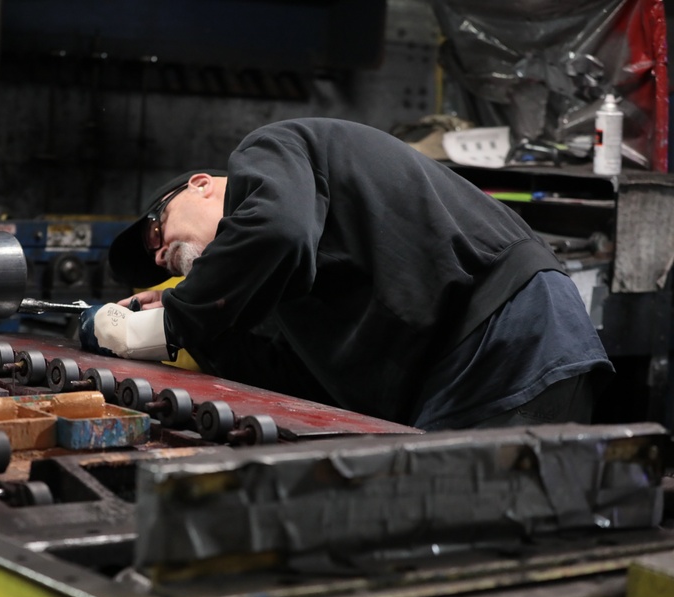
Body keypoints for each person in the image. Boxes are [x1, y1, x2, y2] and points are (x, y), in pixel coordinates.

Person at [81, 117, 613, 430]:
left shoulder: (271, 151)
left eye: (157, 231)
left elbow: (274, 230)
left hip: (508, 341)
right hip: (461, 368)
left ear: (199, 184)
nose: (159, 256)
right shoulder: (284, 286)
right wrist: (199, 333)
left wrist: (171, 321)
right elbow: (296, 378)